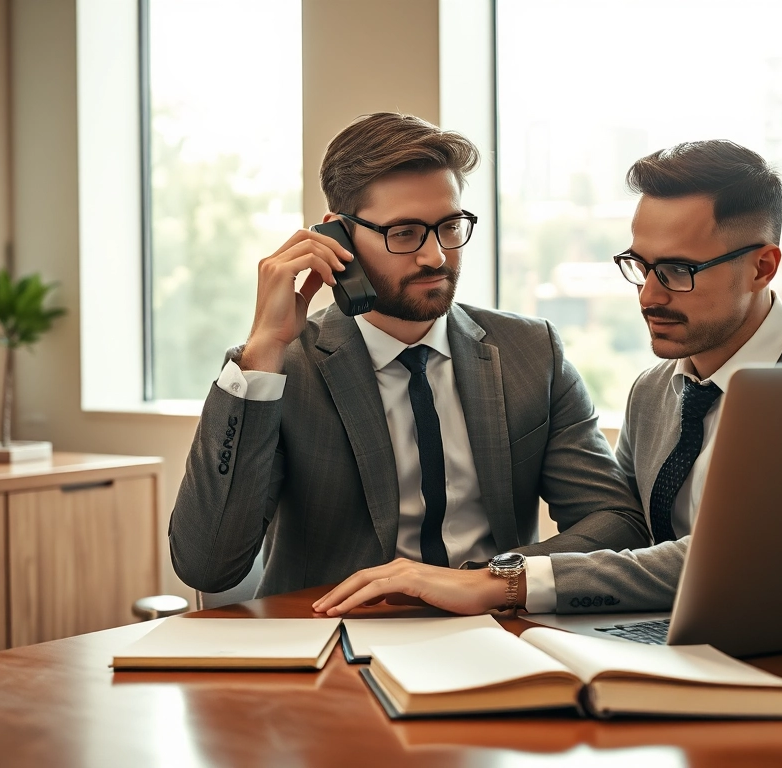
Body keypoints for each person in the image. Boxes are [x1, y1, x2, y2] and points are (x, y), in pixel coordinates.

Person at [314, 139, 782, 617]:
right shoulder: (657, 391)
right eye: (640, 266)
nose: (650, 296)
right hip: (676, 645)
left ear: (763, 267)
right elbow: (634, 541)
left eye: (678, 271)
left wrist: (504, 580)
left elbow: (742, 556)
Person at [169, 113, 649, 599]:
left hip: (492, 630)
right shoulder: (282, 368)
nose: (436, 256)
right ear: (339, 237)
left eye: (450, 226)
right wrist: (265, 348)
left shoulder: (531, 351)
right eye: (404, 233)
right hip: (332, 638)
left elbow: (615, 522)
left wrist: (487, 580)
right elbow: (207, 566)